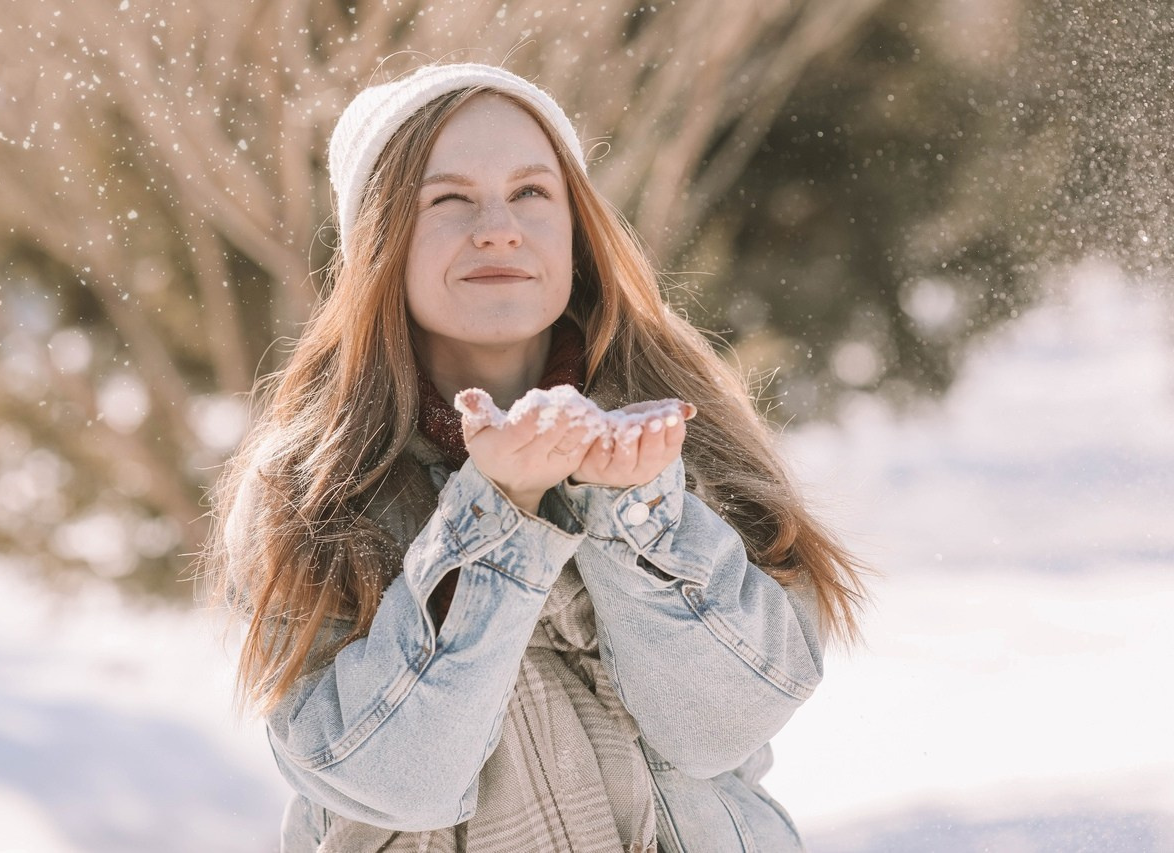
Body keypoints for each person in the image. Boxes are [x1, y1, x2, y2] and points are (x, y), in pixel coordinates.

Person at [203, 61, 866, 853]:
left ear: (576, 229)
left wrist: (637, 513)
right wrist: (496, 516)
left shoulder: (681, 429)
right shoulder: (310, 488)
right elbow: (390, 780)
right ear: (379, 242)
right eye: (448, 199)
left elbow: (726, 724)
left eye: (530, 192)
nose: (498, 227)